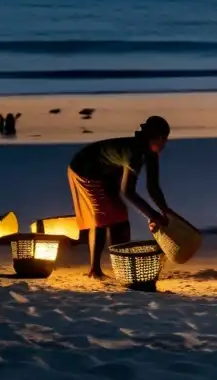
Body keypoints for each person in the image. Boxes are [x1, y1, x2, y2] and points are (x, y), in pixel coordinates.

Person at [67, 116, 171, 278]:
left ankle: (120, 265)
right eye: (164, 138)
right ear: (156, 137)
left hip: (107, 172)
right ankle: (95, 270)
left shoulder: (151, 153)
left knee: (119, 214)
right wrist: (152, 215)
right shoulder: (134, 152)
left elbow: (153, 187)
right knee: (102, 216)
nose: (166, 143)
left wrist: (165, 211)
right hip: (86, 168)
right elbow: (127, 191)